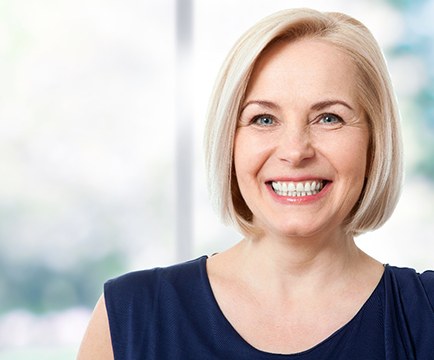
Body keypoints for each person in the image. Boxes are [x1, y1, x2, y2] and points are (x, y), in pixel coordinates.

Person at [78, 8, 434, 359]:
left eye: (329, 117)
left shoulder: (426, 315)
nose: (295, 151)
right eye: (264, 118)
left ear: (375, 141)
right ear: (229, 143)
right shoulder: (128, 315)